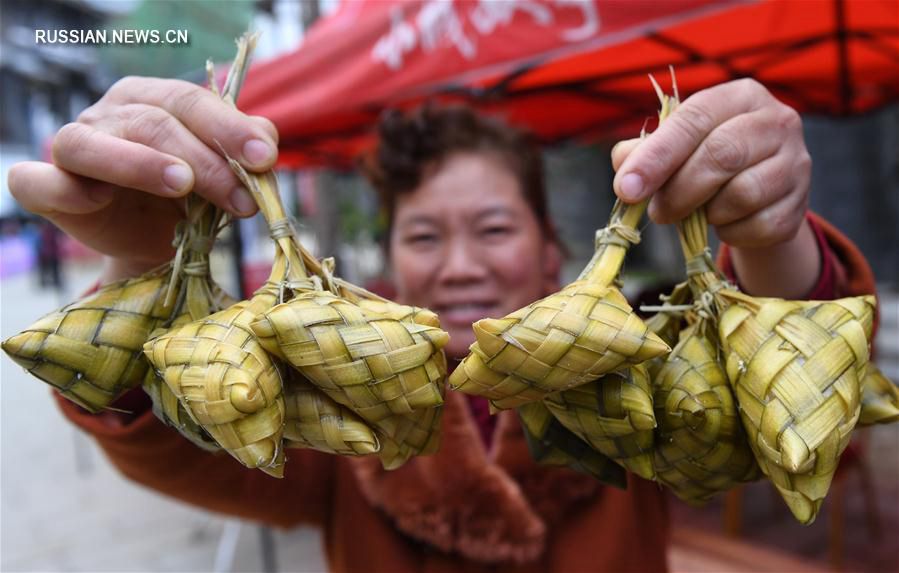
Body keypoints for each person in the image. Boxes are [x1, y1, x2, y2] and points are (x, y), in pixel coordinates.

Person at [7, 77, 877, 572]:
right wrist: (143, 266)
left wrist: (772, 248)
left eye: (494, 228)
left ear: (552, 256)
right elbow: (170, 436)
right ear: (381, 268)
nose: (459, 263)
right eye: (424, 234)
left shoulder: (629, 382)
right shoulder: (331, 408)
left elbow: (802, 444)